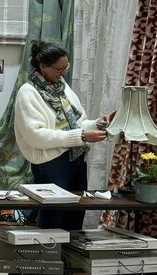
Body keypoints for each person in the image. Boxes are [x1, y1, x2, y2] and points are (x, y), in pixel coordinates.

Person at [14, 41, 112, 230]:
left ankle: (72, 258)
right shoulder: (28, 93)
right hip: (50, 165)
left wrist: (97, 123)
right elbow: (36, 136)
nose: (63, 72)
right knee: (53, 220)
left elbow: (78, 122)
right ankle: (51, 257)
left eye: (65, 67)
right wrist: (81, 136)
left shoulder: (63, 87)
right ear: (42, 66)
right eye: (58, 68)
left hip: (76, 160)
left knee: (75, 217)